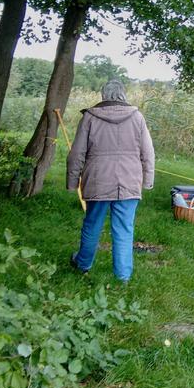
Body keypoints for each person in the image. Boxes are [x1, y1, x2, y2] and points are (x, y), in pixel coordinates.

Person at [66, 80, 155, 282]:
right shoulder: (137, 117)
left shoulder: (89, 117)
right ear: (123, 95)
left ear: (103, 95)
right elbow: (148, 153)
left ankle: (82, 265)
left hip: (97, 180)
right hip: (129, 181)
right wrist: (147, 180)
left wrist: (72, 181)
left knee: (92, 224)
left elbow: (76, 153)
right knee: (124, 229)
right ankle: (123, 277)